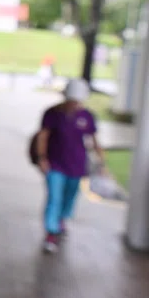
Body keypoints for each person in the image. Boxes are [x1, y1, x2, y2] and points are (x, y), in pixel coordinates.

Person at [35, 79, 105, 253]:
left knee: (69, 196)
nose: (74, 104)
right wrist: (42, 158)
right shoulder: (52, 114)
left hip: (76, 165)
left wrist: (101, 162)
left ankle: (62, 219)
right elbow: (43, 136)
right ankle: (51, 231)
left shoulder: (87, 116)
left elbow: (94, 141)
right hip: (55, 164)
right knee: (54, 197)